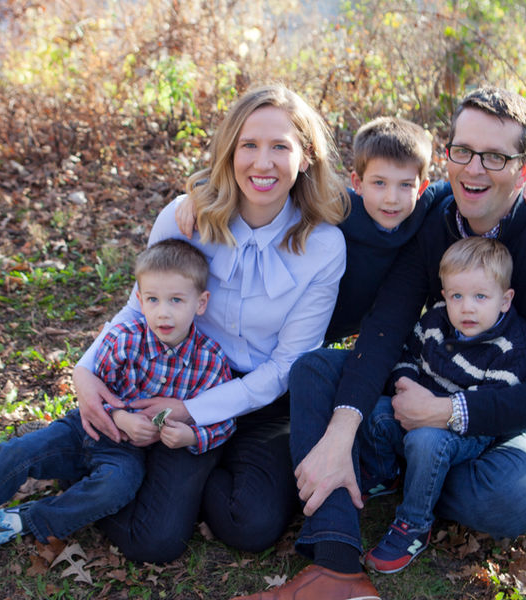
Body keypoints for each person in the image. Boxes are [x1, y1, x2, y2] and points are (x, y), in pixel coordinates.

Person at [237, 86, 526, 599]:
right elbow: (386, 326)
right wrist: (342, 430)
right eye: (463, 151)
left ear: (525, 170)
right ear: (446, 154)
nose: (474, 169)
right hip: (428, 378)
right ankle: (336, 558)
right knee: (314, 370)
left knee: (512, 494)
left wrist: (448, 413)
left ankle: (395, 470)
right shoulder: (433, 213)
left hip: (511, 413)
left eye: (495, 157)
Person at [73, 84, 348, 564]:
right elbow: (138, 309)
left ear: (306, 157)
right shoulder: (185, 219)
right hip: (180, 377)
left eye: (280, 147)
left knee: (252, 525)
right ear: (229, 151)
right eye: (249, 145)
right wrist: (84, 369)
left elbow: (287, 364)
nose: (262, 163)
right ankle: (109, 473)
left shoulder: (324, 246)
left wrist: (194, 412)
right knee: (154, 540)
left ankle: (194, 469)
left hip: (265, 399)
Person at [0, 239, 234, 591]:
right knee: (17, 452)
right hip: (84, 428)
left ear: (201, 303)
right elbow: (95, 388)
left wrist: (191, 436)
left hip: (126, 452)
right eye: (153, 300)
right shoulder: (124, 338)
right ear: (139, 300)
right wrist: (119, 415)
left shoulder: (210, 360)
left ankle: (29, 518)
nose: (163, 313)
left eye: (176, 300)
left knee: (116, 486)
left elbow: (224, 420)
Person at [360, 236, 526, 574]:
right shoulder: (436, 321)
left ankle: (414, 524)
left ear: (505, 300)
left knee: (426, 440)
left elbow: (495, 403)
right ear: (444, 295)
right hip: (419, 406)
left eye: (480, 297)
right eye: (457, 296)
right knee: (376, 411)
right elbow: (407, 354)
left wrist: (437, 412)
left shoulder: (512, 345)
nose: (467, 307)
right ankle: (385, 472)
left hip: (469, 429)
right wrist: (405, 386)